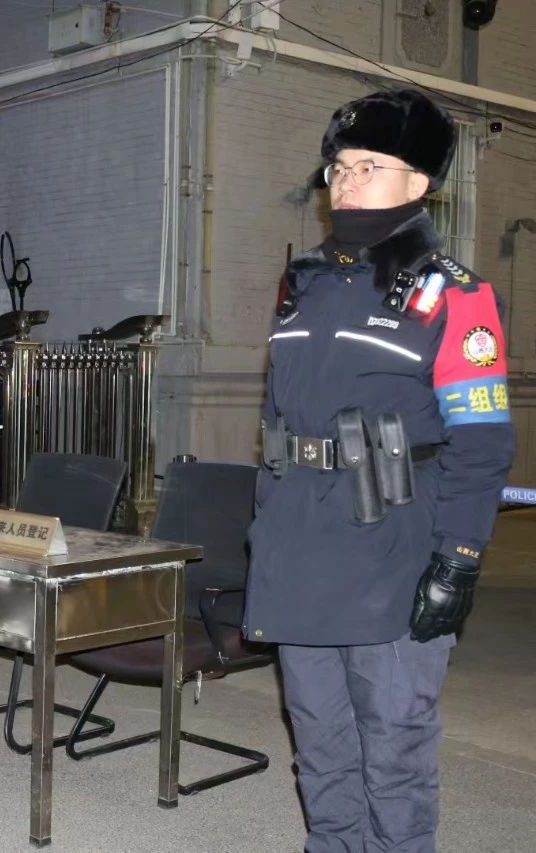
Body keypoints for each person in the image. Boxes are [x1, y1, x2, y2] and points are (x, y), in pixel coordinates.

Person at [246, 88, 516, 852]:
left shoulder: (455, 297)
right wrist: (267, 525)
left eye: (370, 165)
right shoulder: (303, 286)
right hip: (302, 545)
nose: (347, 180)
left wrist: (457, 558)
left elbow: (483, 444)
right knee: (320, 744)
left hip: (392, 547)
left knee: (394, 751)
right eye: (339, 167)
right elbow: (277, 419)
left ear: (419, 182)